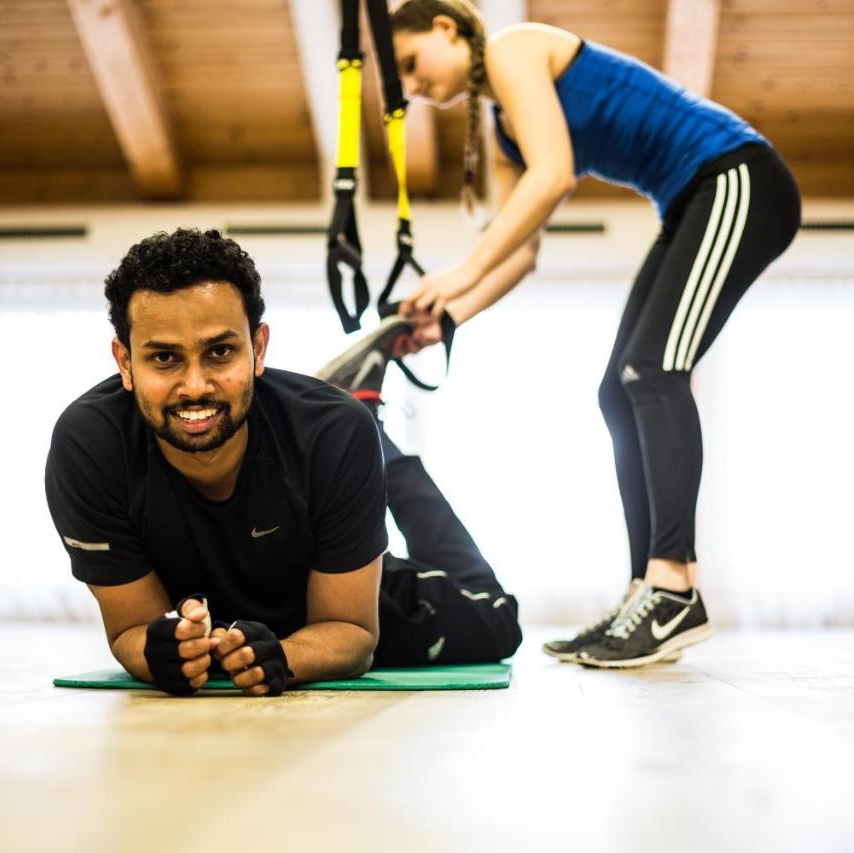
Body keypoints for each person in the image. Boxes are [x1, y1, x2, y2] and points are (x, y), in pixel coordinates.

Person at [386, 1, 802, 667]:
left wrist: (459, 270)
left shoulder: (512, 49)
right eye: (402, 81)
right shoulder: (503, 129)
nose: (412, 86)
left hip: (737, 177)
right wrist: (451, 314)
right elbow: (523, 252)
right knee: (619, 389)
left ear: (445, 29)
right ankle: (646, 590)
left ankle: (674, 586)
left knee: (654, 369)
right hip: (690, 199)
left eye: (410, 64)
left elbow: (551, 176)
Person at [44, 228, 521, 697]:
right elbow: (131, 630)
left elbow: (349, 630)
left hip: (328, 599)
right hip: (236, 616)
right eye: (165, 358)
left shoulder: (333, 433)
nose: (194, 386)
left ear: (259, 349)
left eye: (220, 352)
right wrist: (161, 653)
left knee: (500, 624)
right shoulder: (88, 446)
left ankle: (375, 432)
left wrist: (282, 658)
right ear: (125, 363)